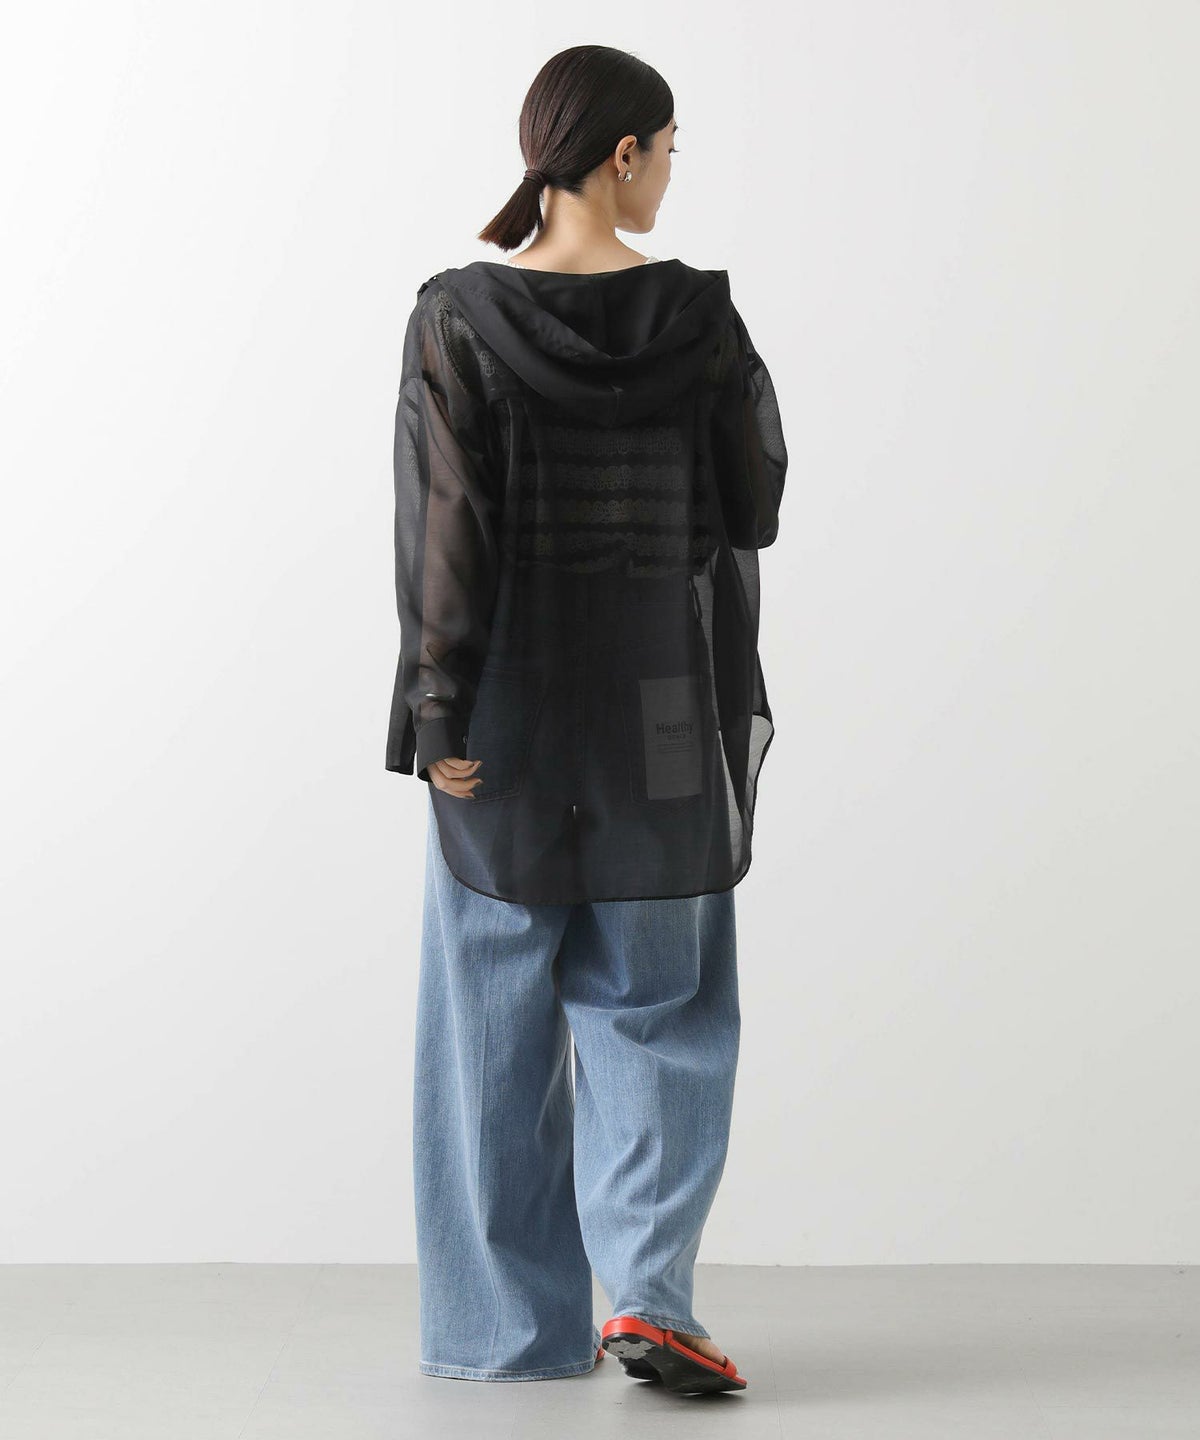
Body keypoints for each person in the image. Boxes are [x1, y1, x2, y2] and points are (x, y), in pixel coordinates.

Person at [386, 45, 786, 1394]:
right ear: (622, 155)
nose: (669, 174)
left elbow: (446, 530)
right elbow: (755, 502)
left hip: (502, 715)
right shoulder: (700, 319)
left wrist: (433, 704)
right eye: (667, 150)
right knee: (658, 1004)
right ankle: (652, 1297)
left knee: (488, 1022)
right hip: (661, 712)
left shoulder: (456, 318)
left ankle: (505, 1333)